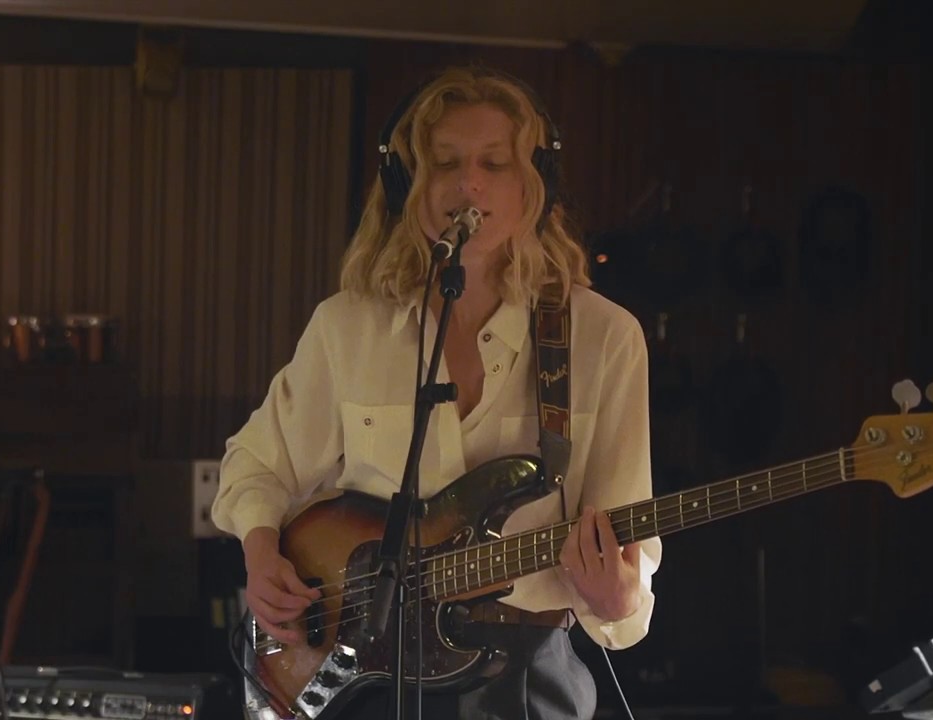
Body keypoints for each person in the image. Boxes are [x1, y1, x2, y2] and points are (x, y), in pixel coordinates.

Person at [212, 65, 662, 719]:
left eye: (494, 163)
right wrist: (260, 554)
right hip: (365, 678)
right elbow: (256, 464)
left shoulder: (605, 338)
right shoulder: (347, 326)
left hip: (521, 675)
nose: (468, 184)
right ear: (406, 183)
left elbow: (626, 538)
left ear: (534, 184)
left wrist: (619, 600)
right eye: (445, 163)